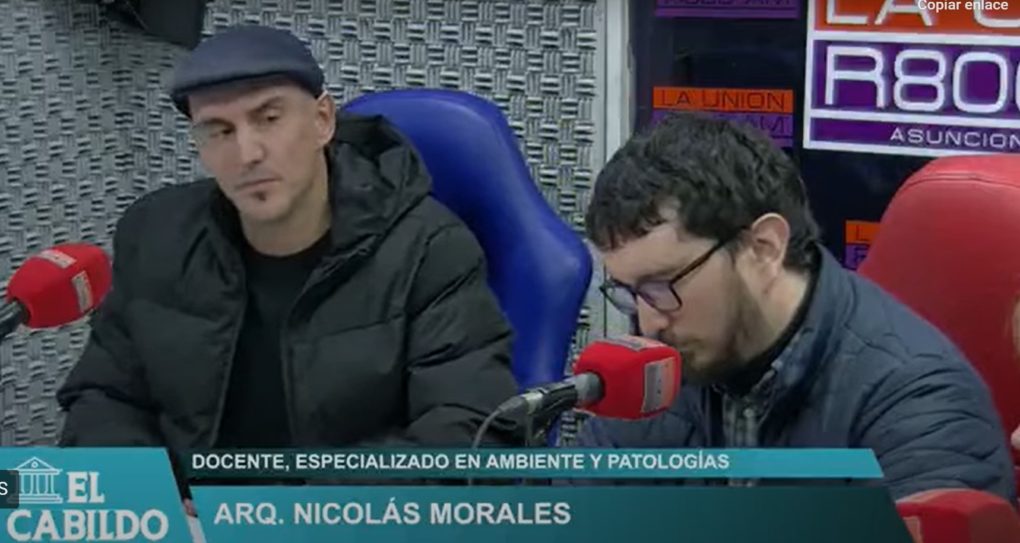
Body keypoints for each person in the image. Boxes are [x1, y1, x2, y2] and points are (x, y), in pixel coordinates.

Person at [55, 25, 521, 488]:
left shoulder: (429, 248)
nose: (247, 153)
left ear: (322, 120)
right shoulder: (156, 236)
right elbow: (104, 398)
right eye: (219, 131)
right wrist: (144, 493)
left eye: (268, 119)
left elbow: (470, 437)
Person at [575, 111, 1016, 503]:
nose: (649, 322)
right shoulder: (660, 370)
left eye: (662, 285)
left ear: (763, 248)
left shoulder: (919, 405)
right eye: (630, 292)